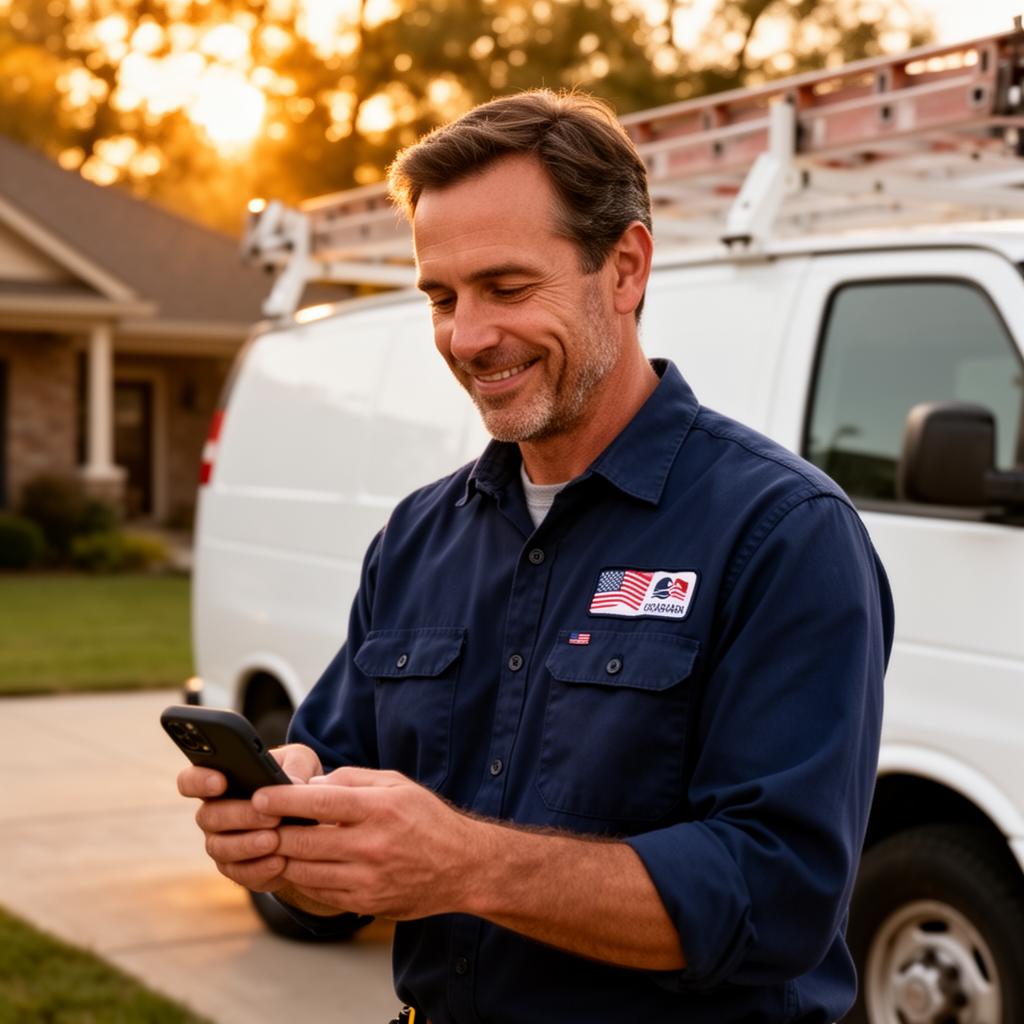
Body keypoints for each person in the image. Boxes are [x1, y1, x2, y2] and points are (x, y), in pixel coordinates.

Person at [178, 90, 894, 1023]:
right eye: (442, 296)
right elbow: (337, 867)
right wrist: (288, 849)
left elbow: (778, 896)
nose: (467, 337)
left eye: (508, 288)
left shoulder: (784, 532)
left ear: (626, 266)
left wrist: (467, 864)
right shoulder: (416, 539)